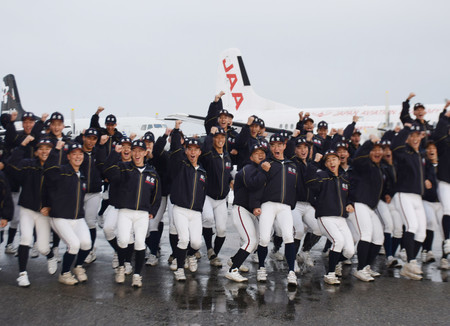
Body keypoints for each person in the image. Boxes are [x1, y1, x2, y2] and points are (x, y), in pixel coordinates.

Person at [104, 139, 161, 287]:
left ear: (145, 153)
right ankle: (122, 267)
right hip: (125, 211)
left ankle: (137, 275)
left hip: (142, 213)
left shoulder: (152, 173)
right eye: (134, 150)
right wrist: (113, 154)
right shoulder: (124, 168)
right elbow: (109, 171)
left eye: (140, 151)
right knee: (123, 240)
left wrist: (153, 211)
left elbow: (156, 194)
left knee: (140, 243)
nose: (137, 154)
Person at [6, 138, 59, 287]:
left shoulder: (55, 168)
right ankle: (22, 274)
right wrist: (21, 146)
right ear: (36, 151)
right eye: (41, 148)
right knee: (26, 239)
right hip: (27, 209)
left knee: (42, 247)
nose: (44, 151)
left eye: (47, 148)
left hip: (43, 213)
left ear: (52, 150)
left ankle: (50, 256)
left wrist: (50, 207)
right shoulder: (28, 164)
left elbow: (60, 192)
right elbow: (11, 167)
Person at [43, 142, 92, 285]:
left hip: (77, 217)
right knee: (74, 244)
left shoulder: (81, 175)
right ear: (68, 156)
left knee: (86, 244)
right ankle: (64, 273)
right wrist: (55, 150)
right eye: (74, 153)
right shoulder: (61, 171)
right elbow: (48, 172)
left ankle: (78, 267)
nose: (78, 156)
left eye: (80, 153)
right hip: (60, 217)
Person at [254, 133, 298, 286]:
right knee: (264, 238)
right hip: (268, 205)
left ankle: (291, 272)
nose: (276, 148)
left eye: (279, 145)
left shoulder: (292, 165)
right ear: (270, 147)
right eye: (273, 145)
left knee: (288, 236)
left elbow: (296, 187)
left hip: (285, 206)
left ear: (285, 146)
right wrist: (262, 170)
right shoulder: (266, 163)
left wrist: (292, 203)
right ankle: (261, 268)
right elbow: (257, 185)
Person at [306, 150, 355, 285]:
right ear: (325, 164)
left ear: (339, 161)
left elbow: (349, 195)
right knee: (338, 241)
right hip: (325, 217)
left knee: (350, 251)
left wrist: (350, 204)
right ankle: (330, 274)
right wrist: (314, 163)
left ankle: (335, 263)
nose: (331, 162)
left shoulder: (344, 178)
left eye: (334, 159)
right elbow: (309, 182)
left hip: (341, 218)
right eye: (328, 160)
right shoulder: (321, 175)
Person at [169, 121, 207, 281]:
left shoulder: (203, 172)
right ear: (185, 151)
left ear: (199, 152)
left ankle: (190, 256)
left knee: (196, 243)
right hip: (180, 209)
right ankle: (179, 268)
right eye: (189, 149)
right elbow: (175, 150)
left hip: (196, 212)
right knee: (183, 239)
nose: (192, 152)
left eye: (195, 150)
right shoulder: (180, 165)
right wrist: (176, 131)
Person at [226, 144, 266, 282]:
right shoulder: (248, 168)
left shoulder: (260, 169)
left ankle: (234, 261)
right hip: (241, 209)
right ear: (251, 157)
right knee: (250, 241)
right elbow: (251, 183)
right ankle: (233, 270)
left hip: (250, 211)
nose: (260, 155)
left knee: (254, 243)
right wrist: (264, 172)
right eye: (256, 153)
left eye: (262, 152)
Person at [392, 123, 427, 280]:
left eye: (417, 135)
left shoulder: (419, 154)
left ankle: (408, 260)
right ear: (408, 138)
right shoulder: (403, 152)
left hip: (417, 197)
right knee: (411, 226)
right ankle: (411, 262)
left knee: (421, 233)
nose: (415, 138)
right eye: (412, 136)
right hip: (403, 194)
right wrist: (406, 129)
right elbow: (395, 146)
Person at [347, 136, 385, 282]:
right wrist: (370, 142)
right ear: (369, 152)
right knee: (366, 234)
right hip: (359, 204)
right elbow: (358, 158)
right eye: (374, 150)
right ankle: (360, 269)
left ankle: (366, 266)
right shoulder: (363, 164)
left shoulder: (378, 167)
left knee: (378, 238)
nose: (377, 153)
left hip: (370, 207)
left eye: (379, 150)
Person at [200, 126, 233, 267]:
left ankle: (215, 255)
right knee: (207, 218)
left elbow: (228, 171)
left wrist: (230, 179)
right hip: (208, 195)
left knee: (221, 229)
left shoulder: (226, 155)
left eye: (222, 137)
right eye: (217, 137)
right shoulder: (208, 154)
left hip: (221, 198)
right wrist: (210, 134)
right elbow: (205, 148)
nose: (220, 140)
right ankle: (209, 248)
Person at [432, 105, 450, 269]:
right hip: (446, 182)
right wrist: (445, 117)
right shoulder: (445, 144)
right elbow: (438, 135)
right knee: (447, 213)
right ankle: (445, 254)